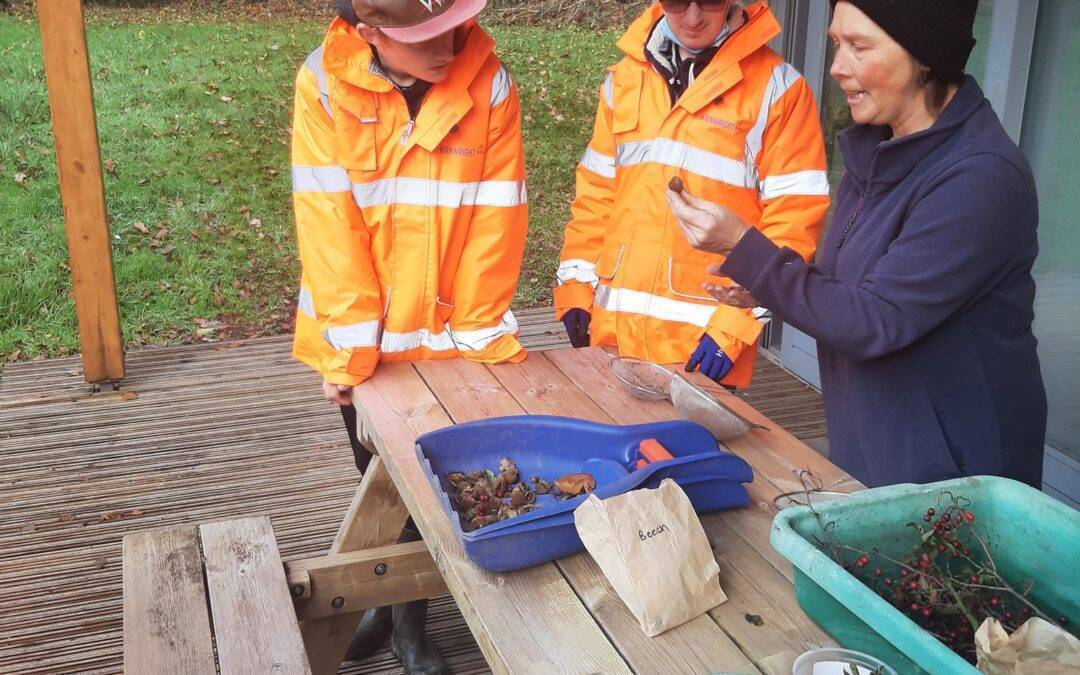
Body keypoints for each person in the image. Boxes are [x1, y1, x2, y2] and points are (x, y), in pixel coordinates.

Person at [667, 0, 1046, 489]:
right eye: (836, 44)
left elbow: (875, 320)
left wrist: (745, 247)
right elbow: (855, 291)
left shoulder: (980, 177)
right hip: (879, 449)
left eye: (859, 47)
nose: (837, 68)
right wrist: (767, 289)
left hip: (959, 479)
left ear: (925, 56)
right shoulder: (879, 151)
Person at [290, 0, 527, 671]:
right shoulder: (323, 84)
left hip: (451, 338)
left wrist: (475, 343)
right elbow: (329, 226)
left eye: (451, 25)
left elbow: (496, 220)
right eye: (422, 37)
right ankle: (383, 604)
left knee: (434, 487)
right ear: (368, 35)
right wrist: (349, 353)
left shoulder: (491, 81)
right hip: (362, 344)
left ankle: (411, 626)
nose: (448, 44)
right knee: (376, 477)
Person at [554, 0, 829, 388]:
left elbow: (793, 220)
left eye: (711, 1)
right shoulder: (625, 78)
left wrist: (735, 324)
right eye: (678, 1)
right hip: (612, 336)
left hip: (704, 347)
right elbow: (597, 192)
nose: (694, 17)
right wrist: (576, 287)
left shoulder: (778, 89)